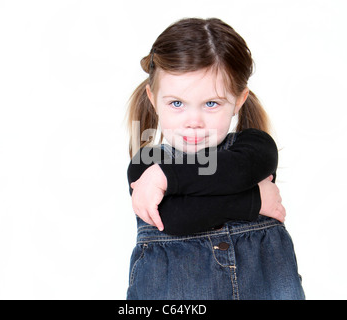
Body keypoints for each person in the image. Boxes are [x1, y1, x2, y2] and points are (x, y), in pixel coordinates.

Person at [125, 17, 305, 300]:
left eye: (211, 103)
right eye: (176, 103)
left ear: (238, 100)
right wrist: (254, 201)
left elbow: (233, 172)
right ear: (153, 98)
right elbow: (174, 219)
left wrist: (167, 177)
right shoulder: (147, 163)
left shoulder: (254, 148)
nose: (193, 121)